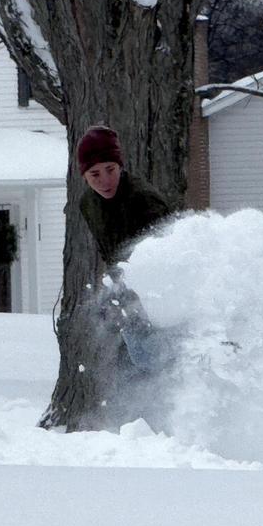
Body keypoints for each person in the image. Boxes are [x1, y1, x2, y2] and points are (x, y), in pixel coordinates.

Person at [75, 125, 176, 372]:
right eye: (95, 174)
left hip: (161, 300)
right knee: (136, 360)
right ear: (85, 177)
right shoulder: (88, 203)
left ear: (120, 165)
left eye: (110, 170)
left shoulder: (144, 201)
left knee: (159, 362)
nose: (105, 180)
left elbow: (171, 254)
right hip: (128, 296)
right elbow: (109, 251)